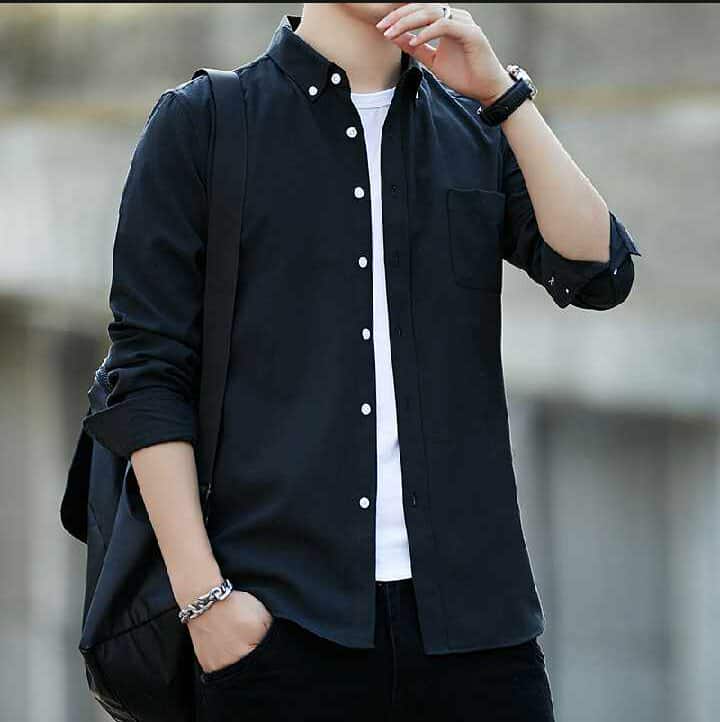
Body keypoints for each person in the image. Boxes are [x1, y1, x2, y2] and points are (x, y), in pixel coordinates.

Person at [82, 3, 641, 721]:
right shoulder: (206, 122)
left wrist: (503, 95)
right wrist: (206, 604)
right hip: (278, 627)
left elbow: (598, 272)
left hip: (477, 632)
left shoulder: (476, 125)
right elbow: (147, 374)